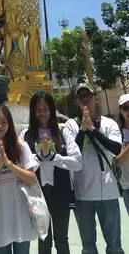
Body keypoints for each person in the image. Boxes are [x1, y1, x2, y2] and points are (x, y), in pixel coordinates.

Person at [63, 83, 124, 254]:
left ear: (95, 98)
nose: (84, 98)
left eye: (87, 95)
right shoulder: (70, 125)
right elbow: (72, 153)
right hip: (83, 193)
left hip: (108, 191)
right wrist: (83, 130)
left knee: (114, 245)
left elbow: (116, 148)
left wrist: (94, 130)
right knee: (88, 247)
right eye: (80, 96)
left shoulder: (109, 123)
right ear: (76, 101)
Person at [20, 91, 82, 254]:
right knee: (44, 240)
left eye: (46, 109)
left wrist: (55, 157)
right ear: (33, 111)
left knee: (62, 240)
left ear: (52, 110)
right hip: (38, 195)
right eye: (38, 110)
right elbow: (22, 167)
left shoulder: (63, 133)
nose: (42, 113)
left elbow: (77, 162)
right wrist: (40, 157)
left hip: (60, 194)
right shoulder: (26, 135)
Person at [0, 104, 37, 254]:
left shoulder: (20, 147)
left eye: (4, 122)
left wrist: (9, 164)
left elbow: (32, 179)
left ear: (9, 124)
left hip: (21, 216)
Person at [115, 94, 129, 214]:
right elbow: (118, 162)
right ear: (120, 110)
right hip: (127, 186)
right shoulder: (117, 133)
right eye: (125, 108)